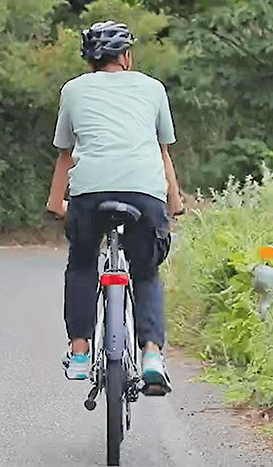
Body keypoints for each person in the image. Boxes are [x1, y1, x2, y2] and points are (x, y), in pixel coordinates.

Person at [46, 21, 183, 390]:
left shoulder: (73, 90)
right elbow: (161, 151)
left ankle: (79, 352)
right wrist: (175, 200)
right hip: (145, 192)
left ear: (90, 60)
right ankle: (152, 353)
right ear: (126, 57)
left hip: (89, 193)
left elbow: (66, 154)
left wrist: (55, 202)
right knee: (146, 270)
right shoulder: (153, 88)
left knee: (82, 263)